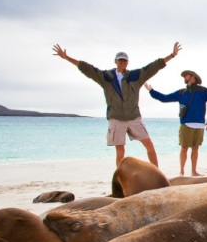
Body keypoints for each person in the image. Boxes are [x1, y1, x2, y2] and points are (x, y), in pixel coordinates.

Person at [52, 43, 181, 167]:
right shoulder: (106, 77)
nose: (123, 62)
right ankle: (120, 179)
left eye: (125, 60)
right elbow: (87, 68)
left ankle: (156, 173)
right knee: (120, 152)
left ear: (128, 62)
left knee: (149, 146)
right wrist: (66, 58)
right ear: (115, 61)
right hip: (116, 119)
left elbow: (154, 66)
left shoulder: (136, 76)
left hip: (134, 117)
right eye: (120, 60)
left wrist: (172, 55)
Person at [145, 70, 207, 176]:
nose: (184, 77)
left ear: (193, 77)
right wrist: (151, 91)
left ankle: (193, 171)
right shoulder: (181, 92)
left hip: (200, 124)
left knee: (196, 149)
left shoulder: (203, 90)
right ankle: (182, 172)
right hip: (186, 124)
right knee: (184, 148)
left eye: (186, 75)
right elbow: (165, 98)